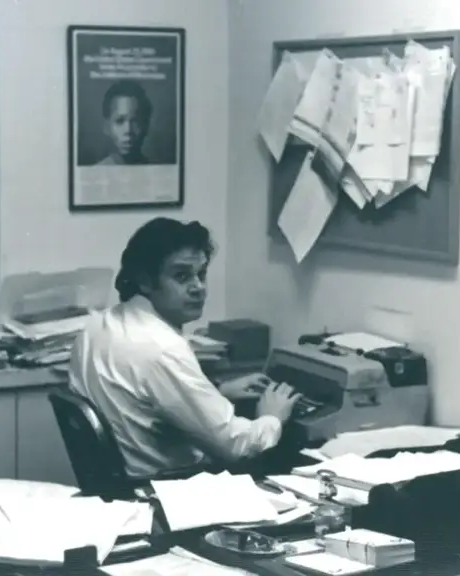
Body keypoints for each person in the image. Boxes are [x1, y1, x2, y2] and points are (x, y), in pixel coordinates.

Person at [69, 217, 303, 477]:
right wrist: (272, 418)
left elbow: (144, 399)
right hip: (166, 490)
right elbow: (235, 445)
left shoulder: (97, 325)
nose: (199, 288)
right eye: (182, 276)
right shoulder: (162, 349)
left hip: (121, 484)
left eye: (201, 274)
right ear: (145, 281)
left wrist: (218, 391)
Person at [95, 80, 152, 166]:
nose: (128, 130)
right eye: (119, 121)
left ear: (146, 125)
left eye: (135, 122)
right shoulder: (94, 173)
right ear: (106, 127)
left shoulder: (157, 172)